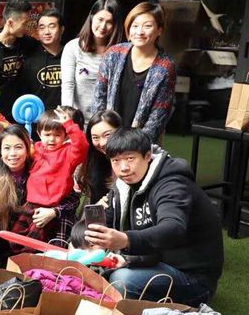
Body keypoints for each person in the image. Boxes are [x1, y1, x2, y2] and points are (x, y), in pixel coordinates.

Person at [84, 128, 223, 305]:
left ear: (148, 156)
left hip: (192, 276)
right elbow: (107, 221)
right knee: (93, 267)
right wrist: (87, 242)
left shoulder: (171, 183)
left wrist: (126, 240)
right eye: (116, 161)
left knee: (122, 280)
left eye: (130, 158)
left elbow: (173, 228)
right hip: (155, 260)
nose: (123, 168)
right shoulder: (122, 186)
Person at [0, 125, 79, 265]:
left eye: (18, 147)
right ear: (0, 152)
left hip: (40, 232)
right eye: (7, 148)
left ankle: (51, 262)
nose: (12, 153)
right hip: (6, 238)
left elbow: (73, 198)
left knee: (62, 216)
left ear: (28, 148)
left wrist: (54, 212)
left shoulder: (42, 168)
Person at [93, 2, 176, 144]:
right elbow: (99, 98)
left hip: (140, 145)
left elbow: (158, 116)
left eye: (147, 26)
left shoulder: (165, 67)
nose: (140, 32)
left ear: (159, 30)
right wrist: (104, 135)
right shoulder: (113, 53)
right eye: (135, 26)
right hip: (106, 140)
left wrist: (133, 146)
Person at [22, 107, 88, 244]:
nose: (52, 139)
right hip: (30, 205)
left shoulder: (68, 153)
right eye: (47, 134)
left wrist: (69, 125)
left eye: (57, 135)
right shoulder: (35, 149)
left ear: (65, 136)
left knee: (41, 243)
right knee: (18, 238)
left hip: (54, 206)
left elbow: (82, 146)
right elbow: (16, 143)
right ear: (39, 134)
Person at [61, 0, 123, 123]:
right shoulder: (73, 47)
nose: (103, 26)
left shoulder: (120, 52)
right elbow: (68, 85)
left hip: (108, 124)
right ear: (91, 17)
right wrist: (68, 118)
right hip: (78, 122)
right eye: (100, 19)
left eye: (109, 22)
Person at [0, 0, 38, 119]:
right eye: (24, 23)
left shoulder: (27, 43)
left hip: (19, 111)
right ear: (10, 23)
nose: (27, 27)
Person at [76, 109, 123, 205]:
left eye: (107, 135)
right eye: (95, 137)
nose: (102, 143)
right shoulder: (91, 160)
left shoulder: (134, 158)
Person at [22, 9, 64, 114]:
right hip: (36, 117)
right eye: (42, 27)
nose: (47, 32)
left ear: (61, 29)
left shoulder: (70, 55)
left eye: (52, 26)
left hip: (63, 117)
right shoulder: (29, 56)